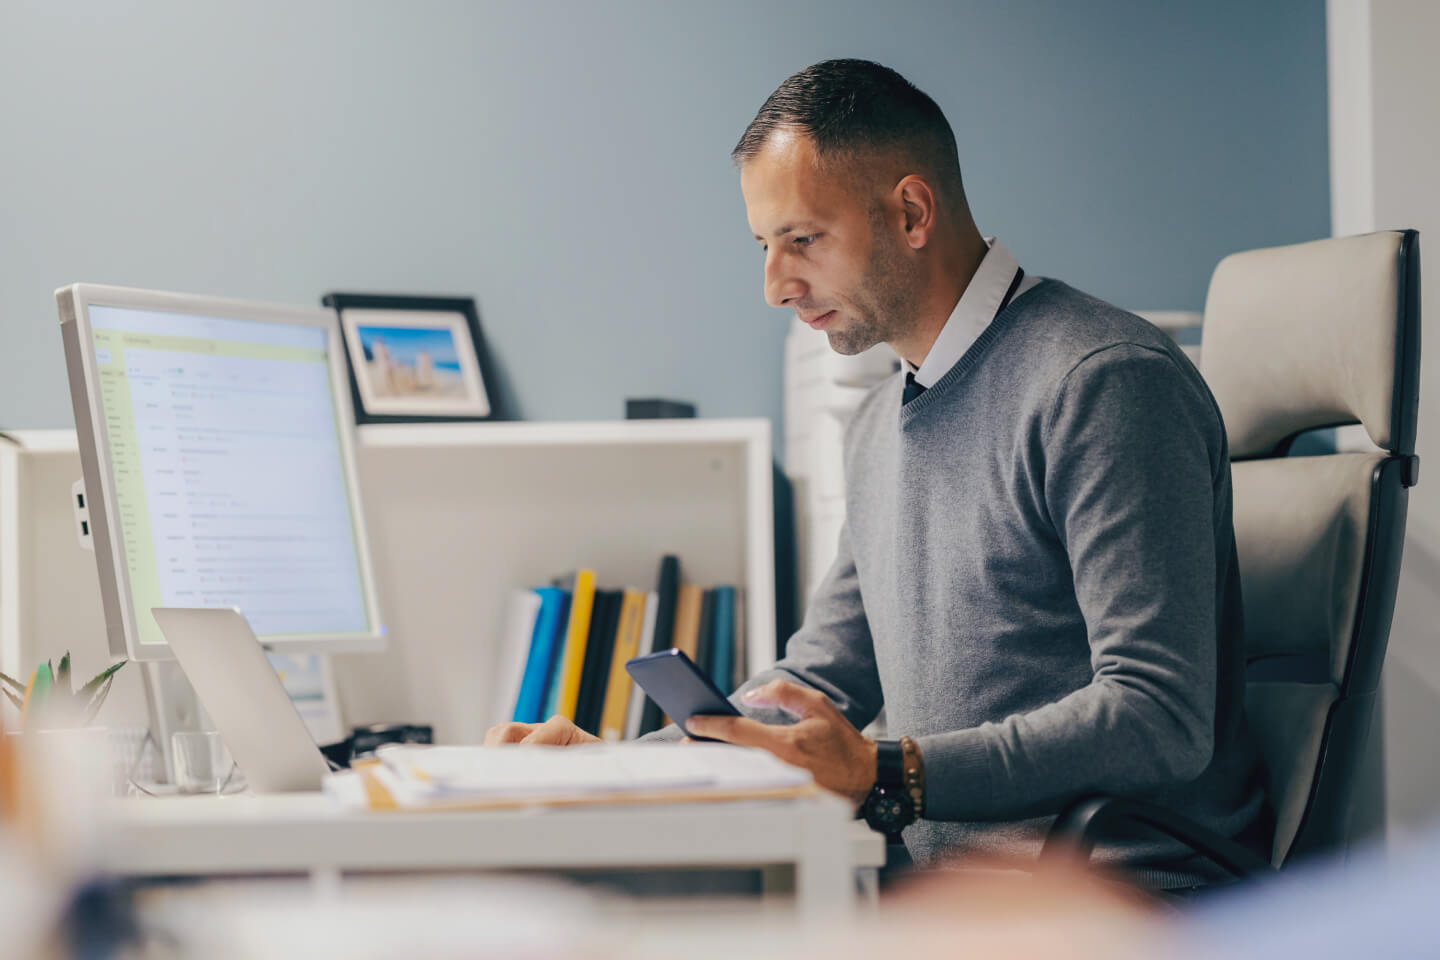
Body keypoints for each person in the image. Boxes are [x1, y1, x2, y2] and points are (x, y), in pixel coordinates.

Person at [486, 59, 1267, 888]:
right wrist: (624, 769)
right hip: (948, 903)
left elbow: (1159, 714)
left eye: (803, 240)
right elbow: (819, 678)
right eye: (764, 245)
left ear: (911, 211)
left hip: (1115, 897)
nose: (775, 285)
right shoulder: (878, 424)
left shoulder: (1102, 383)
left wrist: (889, 771)